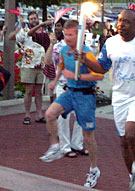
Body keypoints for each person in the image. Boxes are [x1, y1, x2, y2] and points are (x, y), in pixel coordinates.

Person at [80, 9, 135, 191]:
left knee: (132, 133)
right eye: (119, 21)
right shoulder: (111, 43)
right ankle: (134, 178)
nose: (121, 25)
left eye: (126, 22)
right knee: (123, 142)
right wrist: (86, 61)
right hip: (120, 96)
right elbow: (102, 68)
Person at [40, 20, 103, 188]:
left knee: (88, 136)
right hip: (70, 92)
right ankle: (56, 146)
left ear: (79, 35)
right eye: (66, 34)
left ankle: (93, 169)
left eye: (70, 35)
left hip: (85, 96)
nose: (67, 38)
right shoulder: (63, 50)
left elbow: (99, 76)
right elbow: (61, 66)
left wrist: (78, 76)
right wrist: (54, 81)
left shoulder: (87, 54)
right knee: (50, 114)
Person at [44, 18, 88, 158]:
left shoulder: (82, 47)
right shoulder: (59, 47)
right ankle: (65, 146)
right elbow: (47, 61)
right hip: (64, 86)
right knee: (64, 117)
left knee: (80, 117)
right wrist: (51, 44)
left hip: (80, 86)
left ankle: (77, 144)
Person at [13, 11, 52, 125]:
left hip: (41, 65)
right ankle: (27, 114)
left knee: (39, 91)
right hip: (29, 65)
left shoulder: (44, 32)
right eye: (31, 19)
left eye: (35, 18)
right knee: (29, 91)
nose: (34, 20)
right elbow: (22, 38)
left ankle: (39, 114)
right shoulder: (24, 31)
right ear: (28, 21)